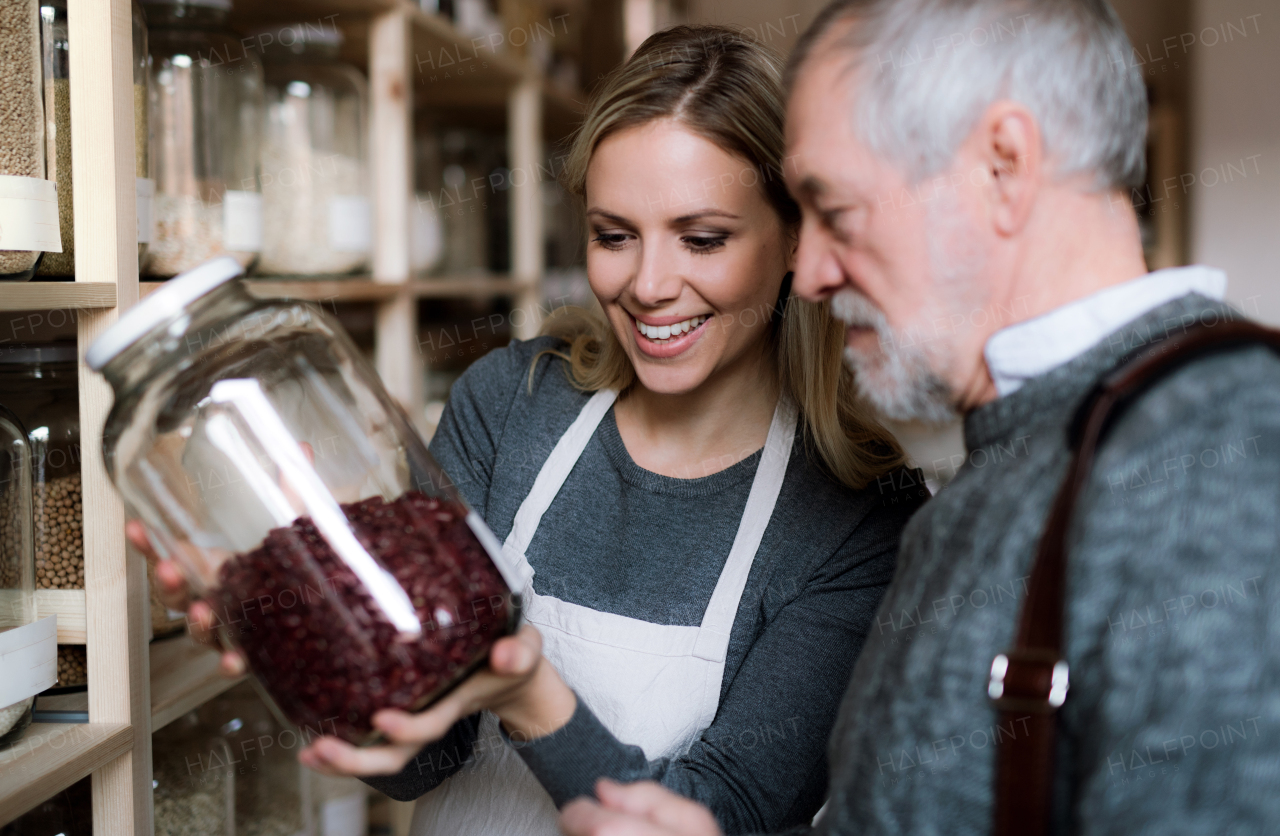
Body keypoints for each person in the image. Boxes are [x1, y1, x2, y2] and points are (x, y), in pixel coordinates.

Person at [141, 25, 923, 836]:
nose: (650, 285)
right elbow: (417, 764)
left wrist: (528, 694)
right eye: (614, 236)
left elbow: (720, 818)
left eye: (702, 239)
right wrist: (304, 607)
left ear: (795, 236)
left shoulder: (859, 517)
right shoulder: (512, 401)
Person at [556, 1, 1280, 834]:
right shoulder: (1018, 455)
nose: (814, 273)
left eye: (836, 210)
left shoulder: (1223, 460)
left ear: (1003, 166)